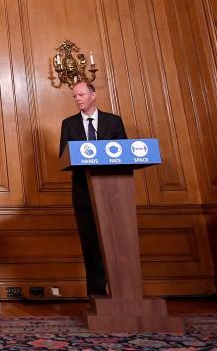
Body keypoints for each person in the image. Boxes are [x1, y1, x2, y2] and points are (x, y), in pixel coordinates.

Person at [59, 81, 127, 297]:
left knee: (116, 242)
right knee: (91, 244)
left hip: (113, 192)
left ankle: (123, 292)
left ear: (93, 96)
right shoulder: (69, 124)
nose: (77, 99)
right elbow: (64, 157)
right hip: (83, 192)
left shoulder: (113, 122)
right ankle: (97, 295)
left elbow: (124, 153)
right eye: (74, 96)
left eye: (81, 95)